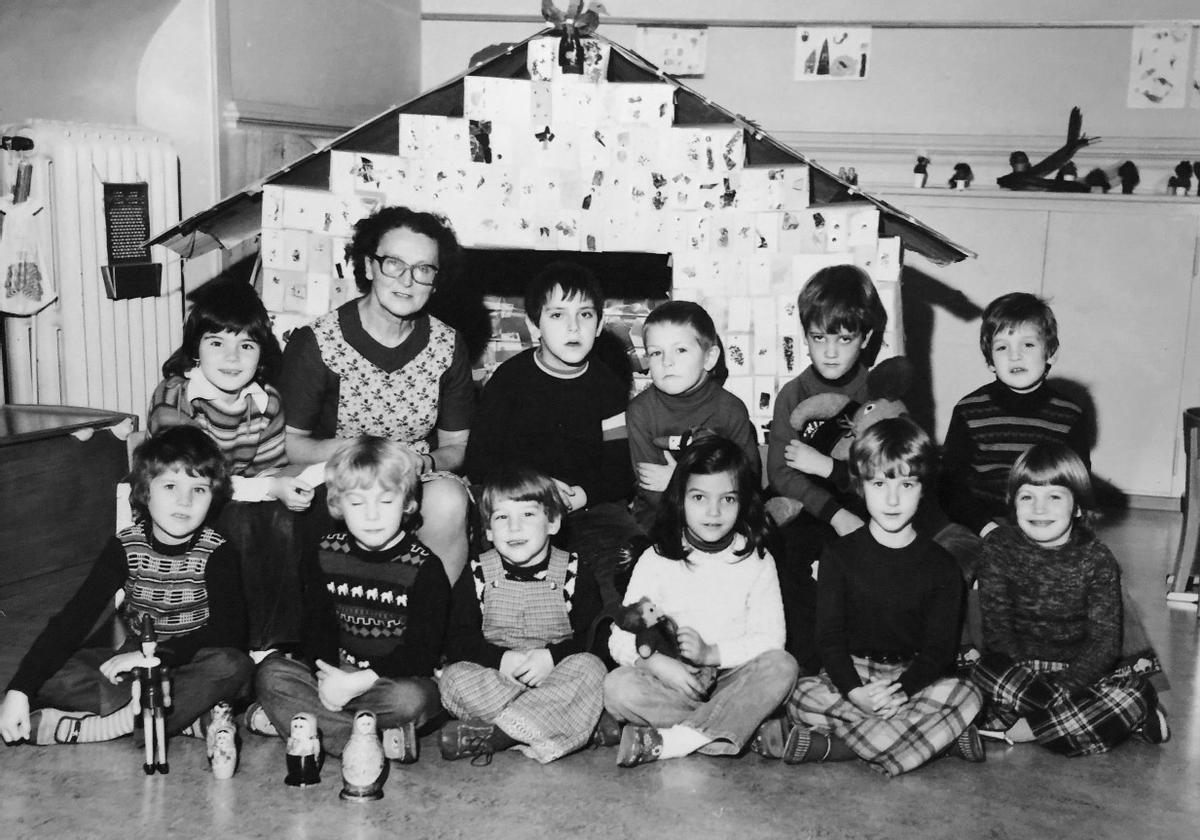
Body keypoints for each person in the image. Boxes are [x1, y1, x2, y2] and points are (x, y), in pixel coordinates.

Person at [0, 427, 252, 746]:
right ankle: (186, 719)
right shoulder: (126, 546)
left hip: (191, 660)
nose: (185, 501)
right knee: (53, 677)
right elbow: (74, 619)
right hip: (134, 668)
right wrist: (19, 690)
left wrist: (157, 657)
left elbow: (229, 632)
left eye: (199, 489)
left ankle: (117, 724)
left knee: (234, 667)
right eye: (171, 486)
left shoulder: (217, 551)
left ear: (213, 496)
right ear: (146, 490)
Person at [278, 206, 474, 583]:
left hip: (413, 474)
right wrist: (364, 451)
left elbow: (456, 447)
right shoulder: (317, 341)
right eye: (393, 264)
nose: (407, 280)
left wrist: (424, 463)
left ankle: (430, 611)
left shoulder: (448, 345)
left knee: (449, 500)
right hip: (337, 471)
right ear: (369, 266)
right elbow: (292, 445)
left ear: (435, 281)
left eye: (423, 269)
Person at [783, 418, 984, 776]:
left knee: (970, 695)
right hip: (853, 672)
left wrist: (902, 691)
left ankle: (843, 746)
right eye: (879, 483)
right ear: (860, 486)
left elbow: (938, 651)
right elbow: (829, 639)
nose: (892, 499)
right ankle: (937, 742)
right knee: (800, 696)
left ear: (923, 488)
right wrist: (855, 692)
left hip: (912, 678)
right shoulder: (838, 555)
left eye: (906, 484)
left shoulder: (942, 565)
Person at [603, 436, 799, 767]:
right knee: (617, 687)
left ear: (743, 502)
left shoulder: (756, 559)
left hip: (734, 680)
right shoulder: (656, 558)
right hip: (675, 682)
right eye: (699, 497)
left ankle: (678, 740)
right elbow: (621, 635)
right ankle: (742, 728)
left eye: (728, 499)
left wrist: (711, 654)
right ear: (680, 499)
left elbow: (771, 640)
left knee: (783, 667)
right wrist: (656, 664)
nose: (713, 511)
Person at [251, 437, 450, 760]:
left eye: (385, 501)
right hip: (338, 671)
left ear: (407, 503)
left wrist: (358, 682)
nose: (372, 515)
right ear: (338, 505)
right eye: (357, 503)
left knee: (412, 700)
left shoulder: (424, 567)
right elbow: (316, 626)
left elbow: (422, 652)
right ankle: (365, 738)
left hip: (390, 680)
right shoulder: (324, 553)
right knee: (270, 674)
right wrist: (331, 678)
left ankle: (312, 723)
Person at [970, 443, 1169, 756]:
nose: (1039, 509)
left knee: (1133, 691)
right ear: (1013, 502)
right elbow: (998, 632)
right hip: (1018, 672)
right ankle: (1088, 722)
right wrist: (1033, 683)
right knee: (982, 672)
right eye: (1027, 497)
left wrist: (1063, 687)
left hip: (1082, 674)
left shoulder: (1097, 559)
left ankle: (1028, 728)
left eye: (1054, 497)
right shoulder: (997, 548)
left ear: (1077, 507)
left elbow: (1104, 645)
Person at [149, 275, 312, 650]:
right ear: (196, 348)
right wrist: (267, 487)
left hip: (241, 500)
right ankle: (245, 641)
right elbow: (193, 477)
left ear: (261, 354)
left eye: (246, 345)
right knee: (239, 519)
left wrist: (286, 487)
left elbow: (270, 469)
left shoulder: (266, 401)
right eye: (217, 342)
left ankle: (279, 643)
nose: (232, 357)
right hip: (182, 501)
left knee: (286, 517)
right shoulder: (176, 397)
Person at [464, 261, 636, 607]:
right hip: (520, 507)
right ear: (534, 325)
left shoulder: (608, 387)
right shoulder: (509, 381)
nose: (573, 327)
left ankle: (608, 629)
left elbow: (620, 470)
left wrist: (583, 496)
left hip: (586, 511)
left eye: (585, 315)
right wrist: (537, 488)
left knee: (623, 564)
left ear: (599, 324)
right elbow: (479, 463)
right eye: (557, 315)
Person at [437, 467, 607, 764]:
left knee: (591, 669)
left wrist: (552, 657)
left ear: (553, 522)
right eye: (502, 517)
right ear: (489, 531)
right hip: (501, 681)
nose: (514, 528)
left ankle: (498, 736)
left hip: (557, 676)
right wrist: (500, 660)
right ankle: (571, 723)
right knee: (453, 679)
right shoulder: (477, 572)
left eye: (528, 514)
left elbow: (594, 637)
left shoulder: (574, 571)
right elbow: (458, 639)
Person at [765, 264, 886, 673]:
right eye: (819, 338)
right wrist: (834, 514)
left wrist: (827, 466)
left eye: (844, 339)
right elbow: (781, 474)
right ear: (806, 337)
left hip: (864, 502)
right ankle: (805, 665)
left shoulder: (878, 395)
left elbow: (888, 471)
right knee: (786, 555)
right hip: (808, 508)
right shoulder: (794, 393)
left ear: (865, 338)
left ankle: (865, 661)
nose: (830, 352)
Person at [940, 292, 1090, 539]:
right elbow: (949, 486)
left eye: (1028, 345)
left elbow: (1079, 487)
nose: (1015, 355)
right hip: (981, 522)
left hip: (1045, 520)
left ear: (1051, 352)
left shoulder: (1069, 415)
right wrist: (986, 528)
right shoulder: (969, 411)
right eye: (1002, 347)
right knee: (947, 552)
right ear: (990, 361)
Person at [627, 300, 760, 532]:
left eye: (680, 350)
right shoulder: (640, 411)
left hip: (722, 515)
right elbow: (650, 487)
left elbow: (748, 479)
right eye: (656, 353)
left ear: (709, 358)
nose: (667, 362)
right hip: (661, 516)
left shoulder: (731, 409)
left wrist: (678, 478)